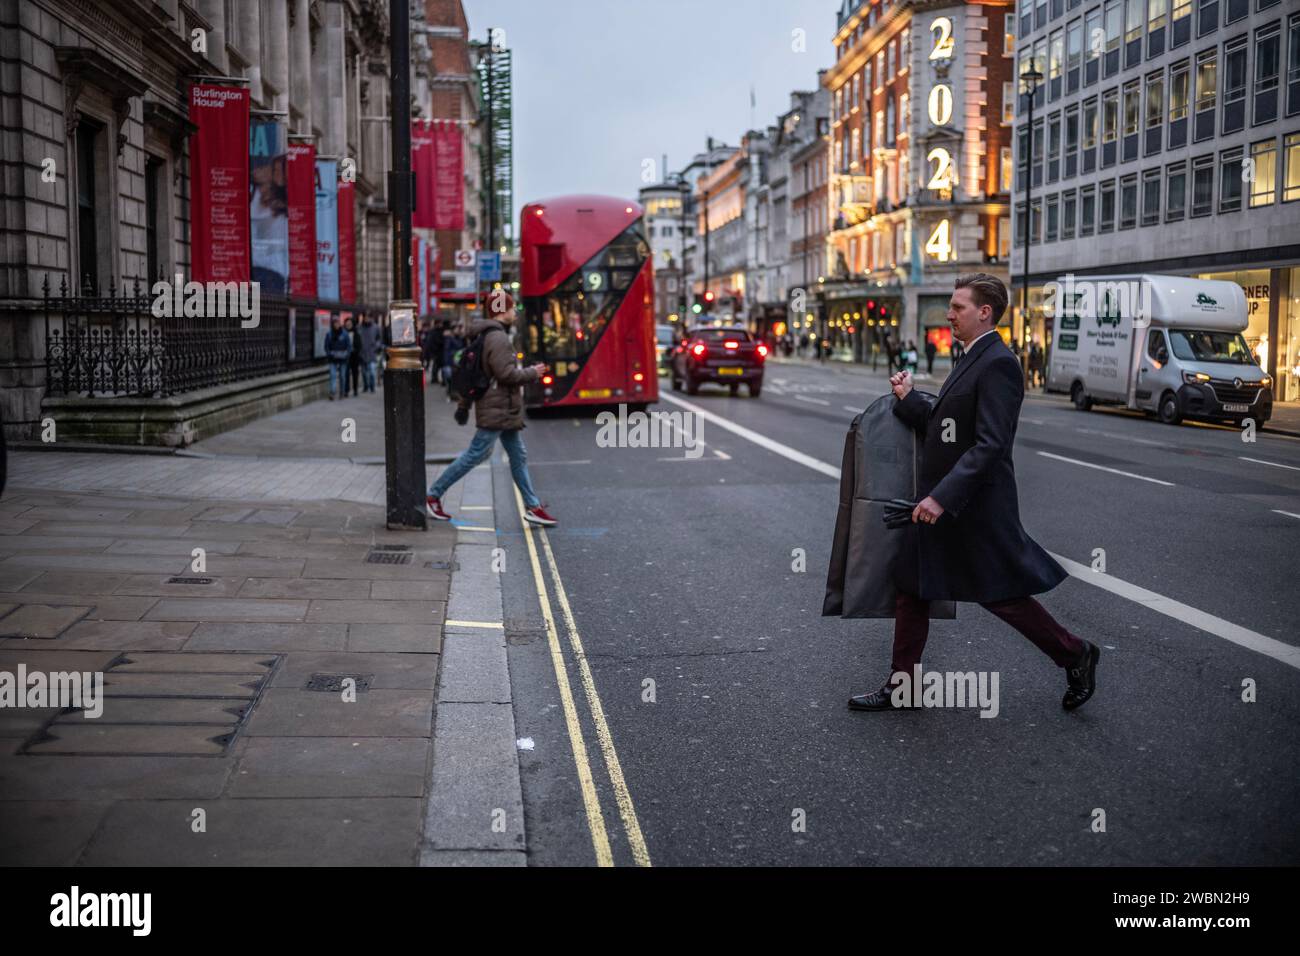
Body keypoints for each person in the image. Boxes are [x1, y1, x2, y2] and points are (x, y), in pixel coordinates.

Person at [848, 273, 1099, 713]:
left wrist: (940, 498)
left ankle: (1075, 653)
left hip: (973, 508)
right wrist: (909, 400)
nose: (949, 314)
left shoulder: (999, 363)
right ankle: (903, 687)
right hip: (944, 504)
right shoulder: (970, 357)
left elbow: (990, 444)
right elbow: (950, 427)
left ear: (984, 312)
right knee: (913, 588)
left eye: (957, 307)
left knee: (1000, 596)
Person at [427, 292, 558, 528]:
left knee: (518, 456)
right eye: (511, 308)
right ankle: (433, 495)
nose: (515, 312)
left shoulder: (488, 334)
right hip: (497, 408)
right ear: (501, 311)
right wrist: (532, 372)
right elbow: (505, 374)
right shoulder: (498, 338)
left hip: (503, 409)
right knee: (476, 455)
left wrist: (464, 406)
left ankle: (532, 506)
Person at [324, 316, 351, 400]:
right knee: (333, 375)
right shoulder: (329, 334)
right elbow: (326, 346)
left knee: (342, 376)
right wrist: (330, 353)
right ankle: (332, 392)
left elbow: (349, 346)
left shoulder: (345, 333)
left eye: (337, 322)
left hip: (343, 359)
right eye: (335, 323)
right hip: (333, 358)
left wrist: (346, 354)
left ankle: (342, 392)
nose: (336, 324)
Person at [356, 314, 382, 393]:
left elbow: (379, 339)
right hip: (362, 353)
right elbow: (356, 339)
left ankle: (372, 387)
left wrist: (376, 346)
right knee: (364, 372)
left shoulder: (376, 327)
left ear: (371, 318)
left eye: (368, 318)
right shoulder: (359, 327)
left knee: (372, 372)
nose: (366, 319)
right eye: (365, 318)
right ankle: (366, 386)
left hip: (372, 353)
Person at [441, 323, 464, 399]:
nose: (459, 330)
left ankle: (452, 393)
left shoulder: (457, 337)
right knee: (452, 379)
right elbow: (447, 351)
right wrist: (447, 361)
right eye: (457, 329)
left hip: (455, 360)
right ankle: (452, 394)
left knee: (454, 379)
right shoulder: (450, 338)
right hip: (452, 361)